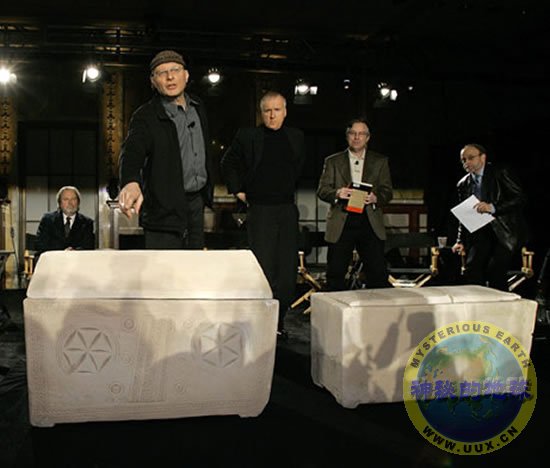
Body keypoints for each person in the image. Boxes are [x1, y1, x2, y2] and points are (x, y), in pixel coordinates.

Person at [221, 91, 305, 338]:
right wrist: (239, 191)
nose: (272, 115)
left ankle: (279, 322)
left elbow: (298, 168)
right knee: (264, 267)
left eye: (277, 110)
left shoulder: (296, 137)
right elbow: (228, 162)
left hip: (287, 209)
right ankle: (262, 323)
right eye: (267, 110)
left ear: (285, 112)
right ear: (261, 113)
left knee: (287, 270)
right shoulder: (248, 136)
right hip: (260, 209)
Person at [118, 50, 213, 249]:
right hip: (163, 210)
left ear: (186, 75)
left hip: (196, 205)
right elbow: (132, 151)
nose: (170, 77)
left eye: (175, 70)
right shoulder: (145, 116)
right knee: (163, 268)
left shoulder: (198, 107)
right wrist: (130, 181)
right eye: (162, 73)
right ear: (153, 81)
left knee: (195, 265)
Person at [317, 117, 393, 290]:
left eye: (361, 134)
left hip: (369, 219)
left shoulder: (380, 161)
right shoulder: (333, 161)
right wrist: (338, 193)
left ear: (368, 137)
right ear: (347, 136)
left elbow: (387, 191)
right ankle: (336, 306)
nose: (357, 137)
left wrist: (376, 198)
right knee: (336, 272)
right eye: (353, 133)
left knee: (377, 272)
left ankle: (375, 306)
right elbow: (322, 190)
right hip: (342, 219)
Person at [451, 143, 527, 291]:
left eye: (470, 158)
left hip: (504, 231)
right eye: (463, 160)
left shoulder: (500, 173)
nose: (466, 162)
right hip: (481, 231)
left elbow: (519, 198)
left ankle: (499, 302)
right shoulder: (463, 183)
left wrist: (493, 207)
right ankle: (479, 301)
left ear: (483, 158)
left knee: (495, 269)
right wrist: (460, 241)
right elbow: (464, 213)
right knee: (472, 267)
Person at [35, 186, 94, 258]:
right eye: (66, 199)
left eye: (73, 199)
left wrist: (74, 252)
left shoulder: (87, 223)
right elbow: (40, 245)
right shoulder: (47, 220)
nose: (70, 203)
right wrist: (62, 253)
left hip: (77, 261)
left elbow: (88, 247)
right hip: (53, 261)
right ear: (59, 203)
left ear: (78, 202)